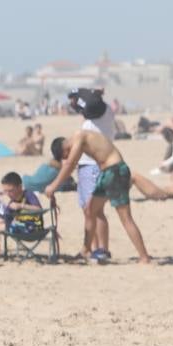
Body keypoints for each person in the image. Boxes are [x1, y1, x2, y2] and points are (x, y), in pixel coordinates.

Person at [44, 127, 152, 264]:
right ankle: (86, 250)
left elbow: (70, 164)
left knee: (125, 218)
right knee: (90, 210)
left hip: (116, 172)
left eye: (65, 156)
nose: (68, 158)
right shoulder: (81, 138)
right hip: (107, 175)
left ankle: (144, 257)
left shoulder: (80, 137)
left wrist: (53, 186)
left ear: (65, 150)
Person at [66, 87, 116, 258]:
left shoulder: (92, 119)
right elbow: (90, 104)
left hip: (92, 165)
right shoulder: (106, 111)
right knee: (89, 211)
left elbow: (86, 106)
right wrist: (95, 95)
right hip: (88, 165)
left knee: (95, 210)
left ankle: (102, 249)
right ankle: (93, 248)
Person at [0, 172, 41, 254]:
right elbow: (4, 218)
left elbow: (39, 209)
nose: (8, 194)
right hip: (20, 227)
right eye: (5, 191)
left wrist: (22, 205)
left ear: (20, 187)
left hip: (32, 228)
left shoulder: (28, 195)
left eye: (11, 191)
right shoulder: (12, 201)